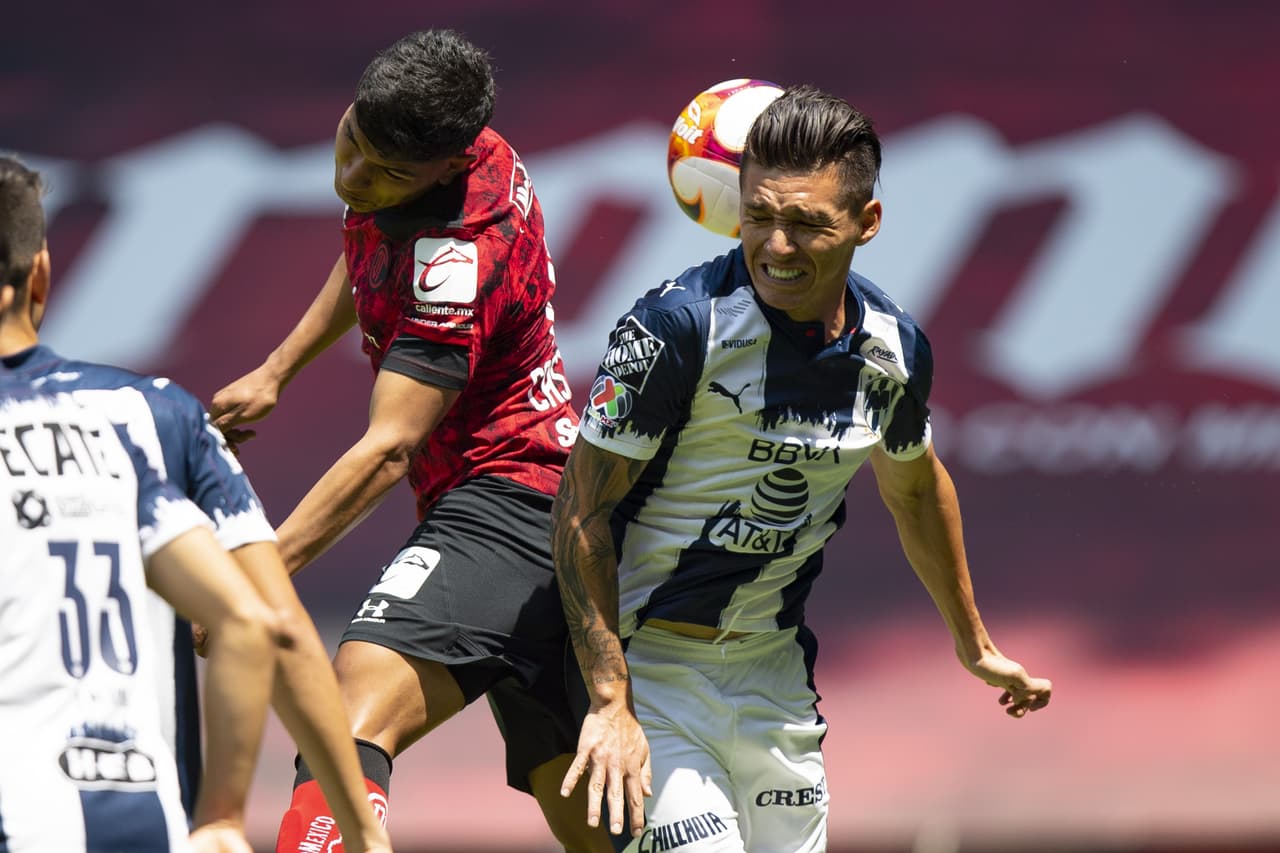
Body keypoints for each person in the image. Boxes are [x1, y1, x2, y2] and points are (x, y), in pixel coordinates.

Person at [552, 85, 1053, 851]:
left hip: (776, 681)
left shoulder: (894, 349)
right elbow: (579, 510)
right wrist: (610, 698)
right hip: (648, 671)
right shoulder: (678, 327)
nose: (777, 247)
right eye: (759, 216)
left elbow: (916, 489)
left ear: (866, 222)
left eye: (807, 224)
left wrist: (974, 642)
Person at [209, 30, 607, 853]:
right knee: (598, 828)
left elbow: (389, 449)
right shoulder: (445, 141)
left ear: (449, 167)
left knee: (347, 715)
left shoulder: (458, 259)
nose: (354, 176)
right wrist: (278, 370)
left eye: (386, 172)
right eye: (352, 139)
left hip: (512, 500)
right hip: (543, 512)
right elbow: (373, 245)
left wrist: (255, 579)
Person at [0, 155, 393, 852]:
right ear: (41, 275)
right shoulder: (152, 417)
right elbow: (267, 623)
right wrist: (244, 819)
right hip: (141, 822)